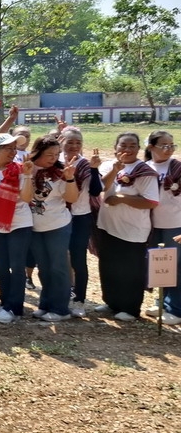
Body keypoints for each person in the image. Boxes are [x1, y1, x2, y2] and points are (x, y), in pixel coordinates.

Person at [96, 132, 158, 321]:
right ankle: (111, 302)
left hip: (132, 229)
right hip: (107, 225)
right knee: (108, 266)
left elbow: (151, 202)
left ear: (139, 149)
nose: (127, 149)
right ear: (115, 147)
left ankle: (130, 308)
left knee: (130, 269)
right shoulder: (108, 165)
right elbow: (100, 187)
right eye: (123, 145)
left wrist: (121, 198)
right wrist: (115, 170)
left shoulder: (145, 171)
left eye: (132, 146)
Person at [0, 133, 34, 324]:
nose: (13, 152)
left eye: (14, 148)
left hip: (19, 223)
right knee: (1, 266)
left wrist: (27, 175)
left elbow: (26, 198)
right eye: (8, 148)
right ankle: (6, 303)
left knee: (17, 266)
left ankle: (14, 307)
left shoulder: (20, 169)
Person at [27, 136, 79, 322]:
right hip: (34, 226)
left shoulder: (61, 171)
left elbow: (72, 198)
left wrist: (70, 178)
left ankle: (60, 309)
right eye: (49, 154)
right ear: (37, 152)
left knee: (58, 267)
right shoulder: (27, 168)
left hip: (57, 225)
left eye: (57, 154)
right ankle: (46, 304)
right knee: (44, 268)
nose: (54, 158)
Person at [60, 128, 102, 317]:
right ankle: (61, 296)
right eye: (70, 142)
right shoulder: (55, 161)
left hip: (79, 216)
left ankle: (79, 300)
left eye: (78, 142)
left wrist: (94, 169)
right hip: (58, 216)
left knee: (78, 259)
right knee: (59, 258)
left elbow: (95, 190)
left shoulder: (85, 164)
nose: (74, 146)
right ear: (61, 141)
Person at [144, 130, 181, 324]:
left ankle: (175, 308)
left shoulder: (178, 167)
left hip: (175, 224)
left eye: (172, 145)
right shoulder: (145, 167)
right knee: (159, 264)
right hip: (152, 225)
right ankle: (161, 303)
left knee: (176, 265)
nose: (169, 149)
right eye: (164, 145)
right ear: (151, 147)